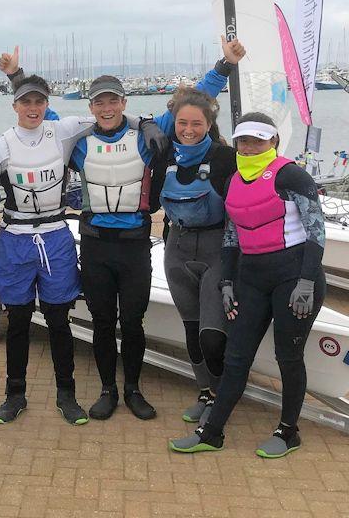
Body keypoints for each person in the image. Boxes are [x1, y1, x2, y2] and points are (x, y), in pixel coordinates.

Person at [0, 63, 166, 425]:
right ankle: (15, 395)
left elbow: (111, 118)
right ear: (14, 105)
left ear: (47, 104)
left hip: (56, 236)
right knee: (17, 320)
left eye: (39, 101)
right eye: (25, 101)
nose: (33, 108)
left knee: (58, 319)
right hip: (16, 238)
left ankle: (67, 395)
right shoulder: (1, 145)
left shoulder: (63, 131)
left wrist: (148, 122)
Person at [66, 37, 244, 421]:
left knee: (132, 322)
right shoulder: (77, 145)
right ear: (91, 107)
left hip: (133, 246)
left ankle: (132, 389)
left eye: (113, 100)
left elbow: (192, 107)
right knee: (101, 322)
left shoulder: (149, 138)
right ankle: (107, 390)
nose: (107, 107)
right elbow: (37, 124)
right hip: (96, 245)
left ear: (123, 103)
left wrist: (224, 66)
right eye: (100, 102)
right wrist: (14, 76)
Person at [170, 113, 326, 457]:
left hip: (295, 278)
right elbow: (230, 236)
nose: (250, 146)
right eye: (244, 140)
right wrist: (226, 282)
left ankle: (288, 432)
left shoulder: (292, 175)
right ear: (236, 142)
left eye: (258, 140)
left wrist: (306, 281)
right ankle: (212, 433)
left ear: (273, 142)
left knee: (288, 356)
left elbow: (317, 230)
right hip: (251, 278)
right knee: (236, 356)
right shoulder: (235, 180)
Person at [159, 88, 236, 424]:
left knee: (211, 335)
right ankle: (205, 391)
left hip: (215, 249)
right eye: (181, 123)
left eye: (196, 123)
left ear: (209, 124)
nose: (188, 129)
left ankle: (221, 397)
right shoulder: (163, 154)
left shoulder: (226, 157)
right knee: (191, 330)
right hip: (176, 249)